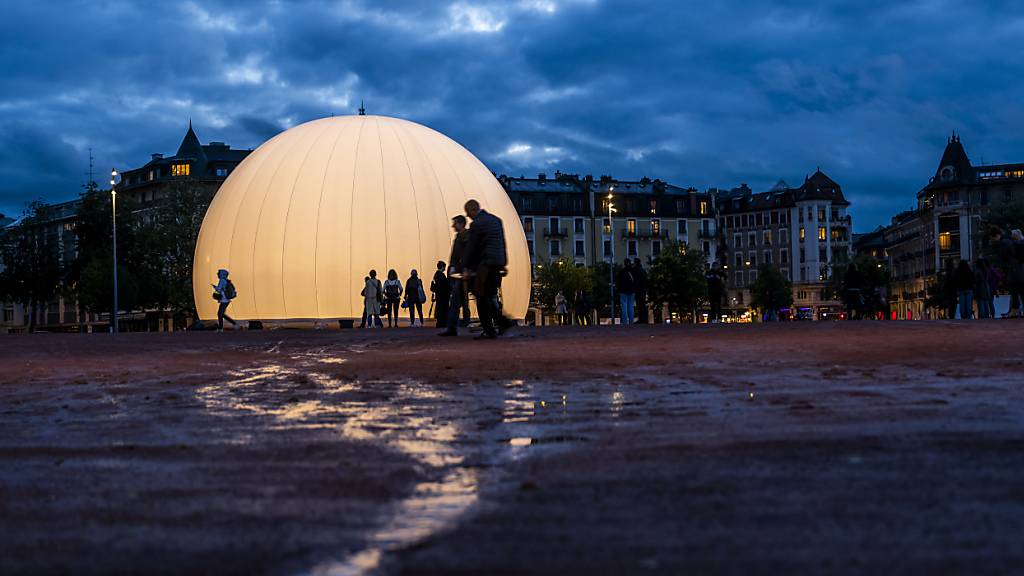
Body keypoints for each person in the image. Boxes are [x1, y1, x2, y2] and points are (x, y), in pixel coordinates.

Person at [463, 199, 512, 339]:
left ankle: (490, 329)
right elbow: (502, 243)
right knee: (490, 295)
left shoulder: (477, 224)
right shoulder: (496, 220)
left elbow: (472, 247)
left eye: (468, 213)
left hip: (485, 265)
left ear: (473, 209)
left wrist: (466, 266)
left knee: (481, 296)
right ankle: (502, 322)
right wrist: (503, 263)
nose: (469, 217)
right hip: (497, 263)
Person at [440, 215, 470, 337]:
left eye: (455, 223)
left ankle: (453, 327)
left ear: (461, 224)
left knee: (458, 301)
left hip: (466, 273)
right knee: (456, 300)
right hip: (461, 274)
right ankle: (452, 327)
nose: (453, 226)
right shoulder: (460, 238)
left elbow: (466, 254)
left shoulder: (466, 238)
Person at [989, 227, 1023, 318]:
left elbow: (1006, 256)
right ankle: (1015, 310)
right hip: (1017, 268)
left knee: (1014, 289)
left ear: (996, 236)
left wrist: (1005, 267)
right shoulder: (1008, 241)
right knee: (1018, 289)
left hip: (1013, 268)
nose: (992, 240)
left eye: (992, 238)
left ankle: (1015, 310)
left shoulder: (1004, 242)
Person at [431, 260, 451, 329]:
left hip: (438, 296)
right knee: (443, 310)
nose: (445, 269)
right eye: (444, 267)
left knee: (439, 309)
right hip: (443, 296)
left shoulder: (436, 275)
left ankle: (440, 323)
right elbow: (445, 285)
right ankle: (442, 323)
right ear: (442, 267)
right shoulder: (441, 275)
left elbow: (434, 286)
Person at [617, 259, 636, 325]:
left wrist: (618, 290)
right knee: (631, 306)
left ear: (624, 263)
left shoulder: (622, 271)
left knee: (624, 306)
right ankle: (631, 321)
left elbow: (619, 282)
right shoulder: (633, 271)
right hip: (632, 290)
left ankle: (625, 322)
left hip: (623, 291)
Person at [633, 258, 648, 324]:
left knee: (640, 305)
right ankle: (644, 319)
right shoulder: (643, 270)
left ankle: (641, 319)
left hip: (638, 290)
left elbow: (635, 281)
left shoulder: (636, 271)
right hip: (643, 290)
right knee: (643, 305)